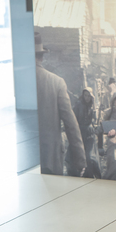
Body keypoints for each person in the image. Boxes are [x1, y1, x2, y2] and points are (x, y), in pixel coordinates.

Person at [34, 32, 86, 176]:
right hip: (49, 160)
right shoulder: (56, 82)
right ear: (42, 56)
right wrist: (80, 160)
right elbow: (70, 124)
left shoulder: (17, 82)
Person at [73, 87, 101, 178]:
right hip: (80, 133)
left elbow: (95, 120)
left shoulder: (92, 106)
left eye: (89, 96)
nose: (87, 98)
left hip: (89, 134)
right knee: (78, 156)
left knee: (90, 157)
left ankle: (91, 174)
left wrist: (94, 105)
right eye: (85, 95)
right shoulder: (78, 105)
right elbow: (74, 119)